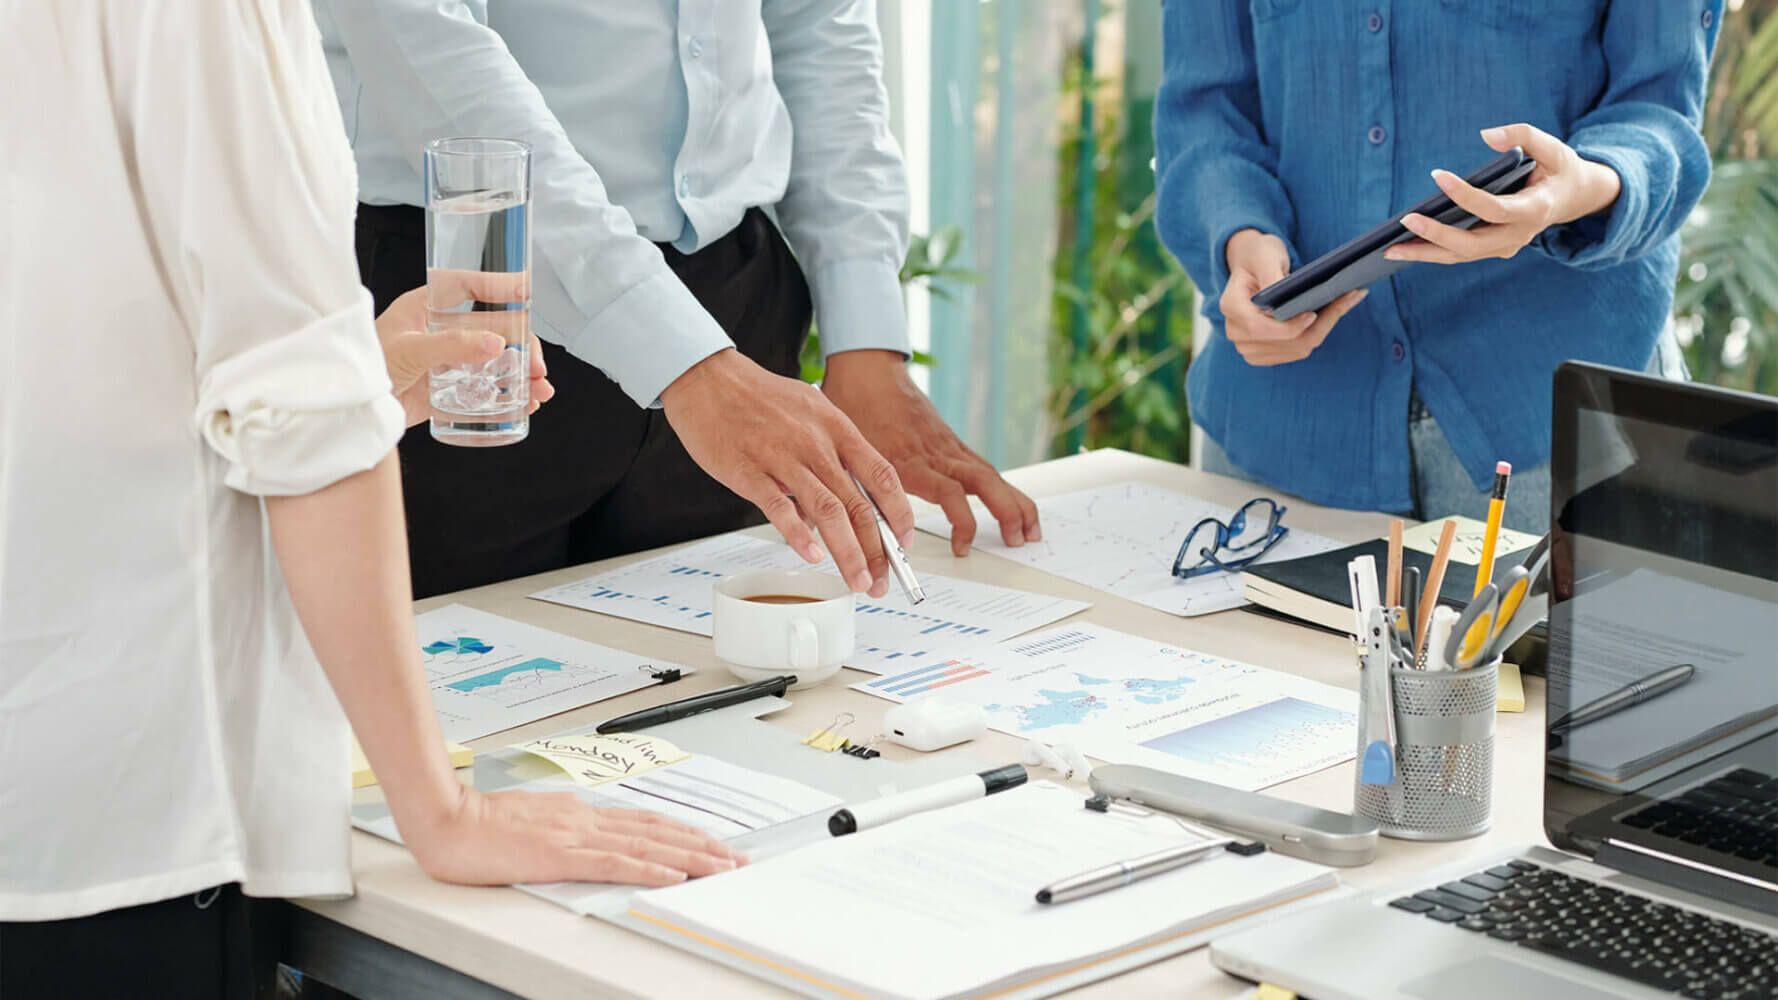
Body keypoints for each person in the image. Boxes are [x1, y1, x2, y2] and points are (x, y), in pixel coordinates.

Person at [0, 2, 742, 993]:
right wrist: (443, 811)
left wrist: (363, 377)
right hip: (124, 811)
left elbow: (73, 362)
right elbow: (303, 428)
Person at [314, 1, 1042, 601]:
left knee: (721, 708)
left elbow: (820, 27)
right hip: (465, 294)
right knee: (456, 714)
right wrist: (687, 364)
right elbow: (438, 71)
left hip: (735, 307)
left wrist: (866, 347)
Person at [1154, 0, 1719, 533]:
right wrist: (1239, 234)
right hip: (1281, 428)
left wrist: (1580, 186)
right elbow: (1204, 107)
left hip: (1557, 424)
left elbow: (1658, 107)